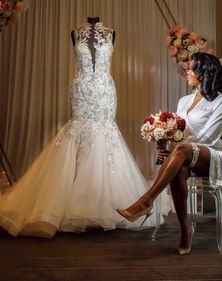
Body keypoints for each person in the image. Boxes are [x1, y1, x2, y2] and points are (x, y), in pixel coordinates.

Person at [0, 17, 157, 238]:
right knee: (78, 133)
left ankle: (107, 204)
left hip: (104, 91)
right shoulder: (75, 32)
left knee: (105, 132)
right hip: (82, 88)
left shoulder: (111, 32)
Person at [117, 52, 222, 255]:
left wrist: (178, 146)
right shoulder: (184, 100)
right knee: (179, 169)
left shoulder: (221, 102)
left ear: (203, 73)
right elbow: (176, 132)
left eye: (191, 68)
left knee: (181, 151)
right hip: (187, 154)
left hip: (215, 156)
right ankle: (185, 230)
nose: (187, 72)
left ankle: (145, 201)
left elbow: (208, 139)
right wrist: (166, 146)